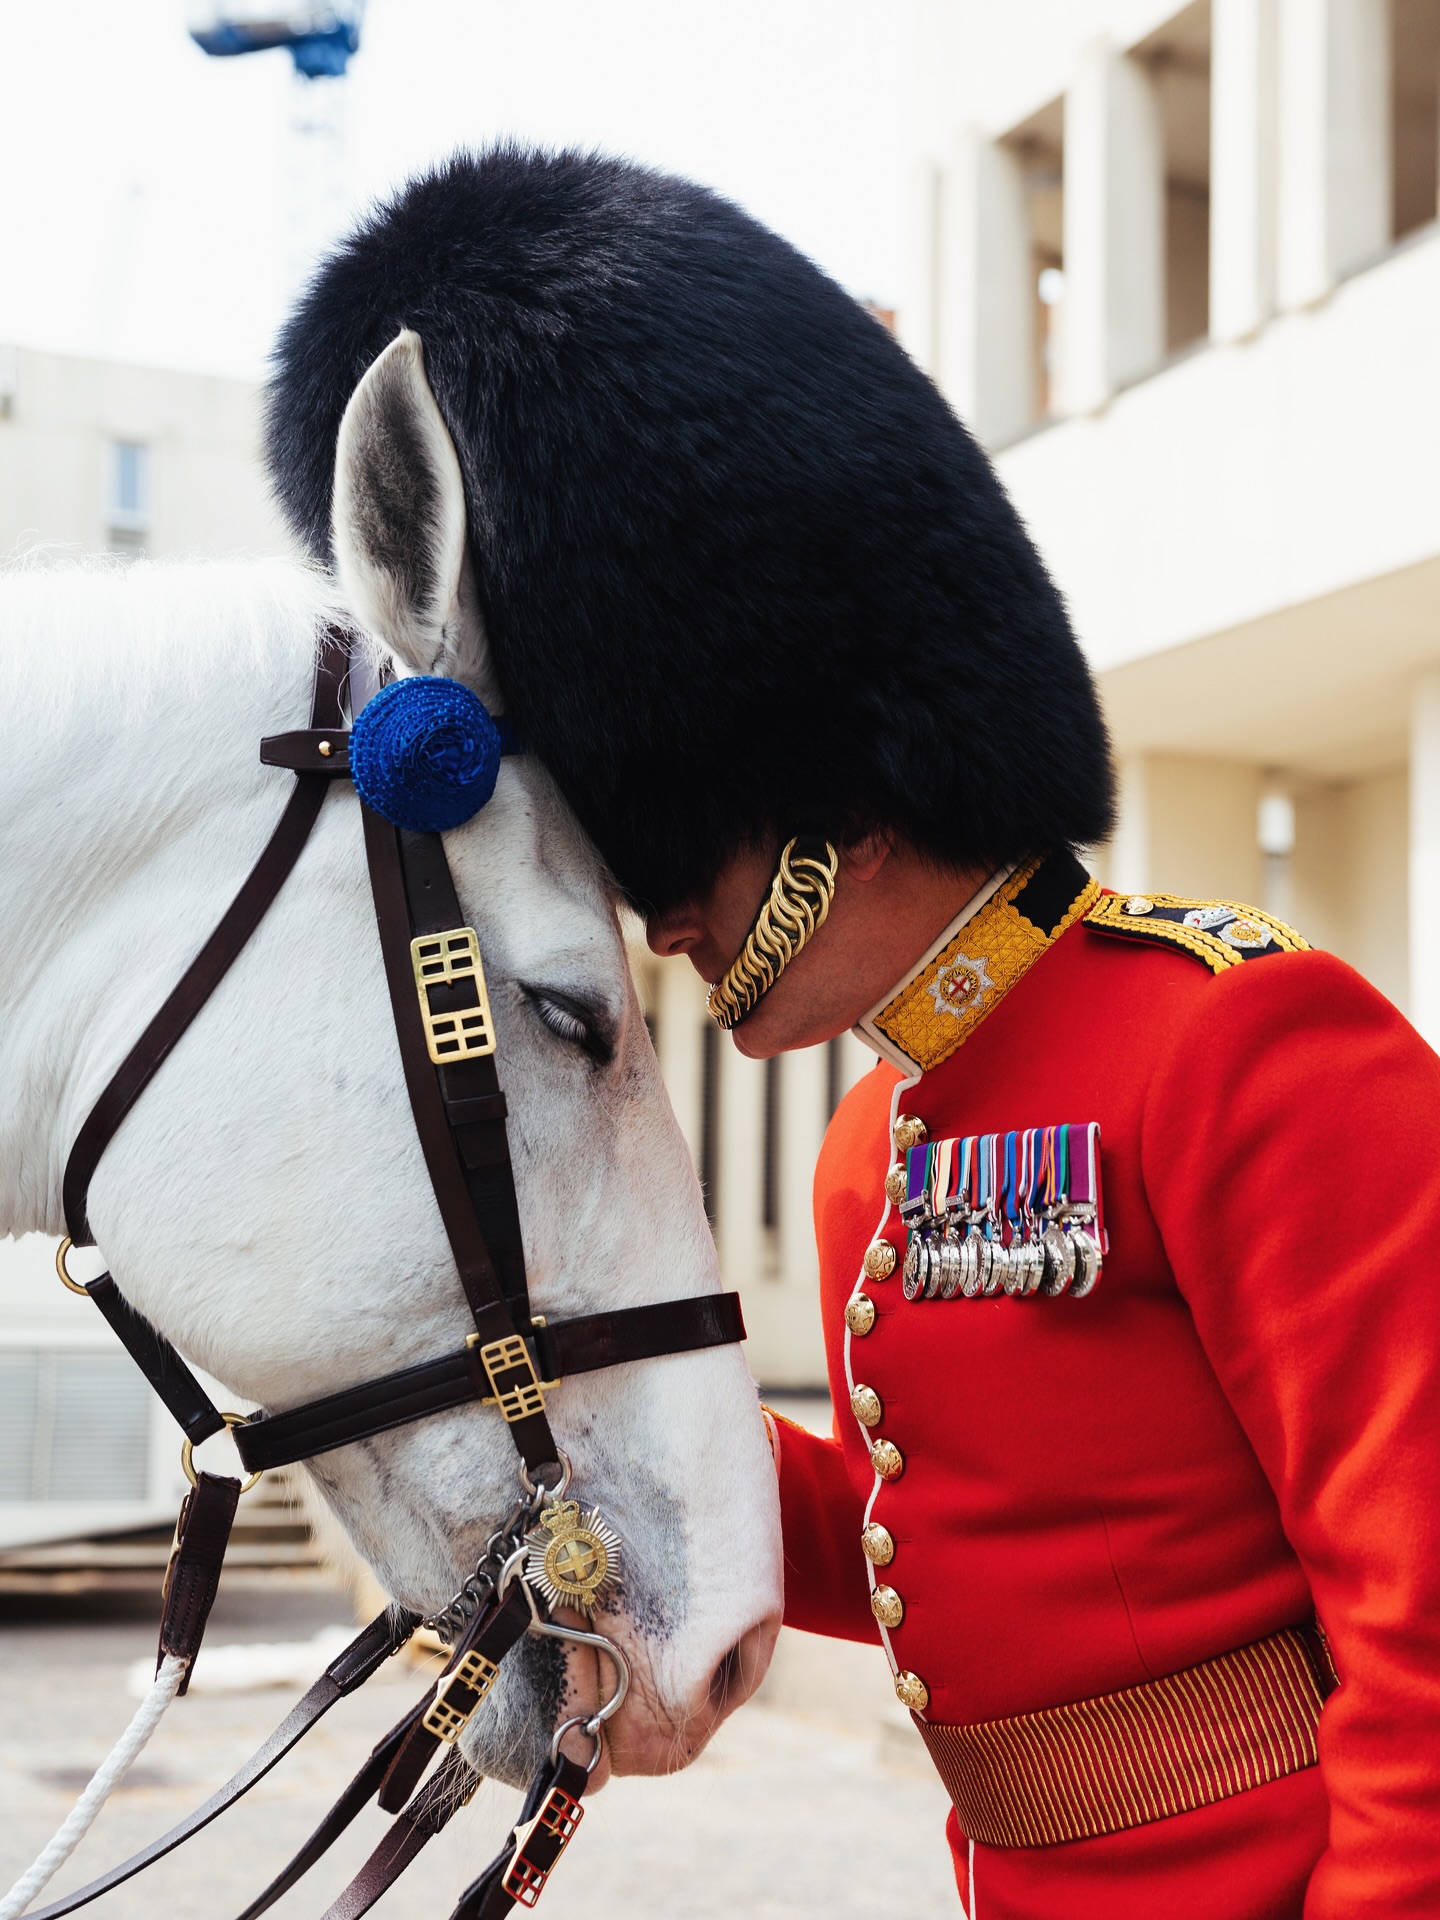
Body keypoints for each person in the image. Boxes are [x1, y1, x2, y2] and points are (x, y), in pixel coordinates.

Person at [268, 145, 1440, 1920]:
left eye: (671, 841)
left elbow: (1417, 1589)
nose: (657, 913)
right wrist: (552, 1453)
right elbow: (919, 1537)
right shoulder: (863, 1149)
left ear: (821, 779)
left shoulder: (1241, 1044)